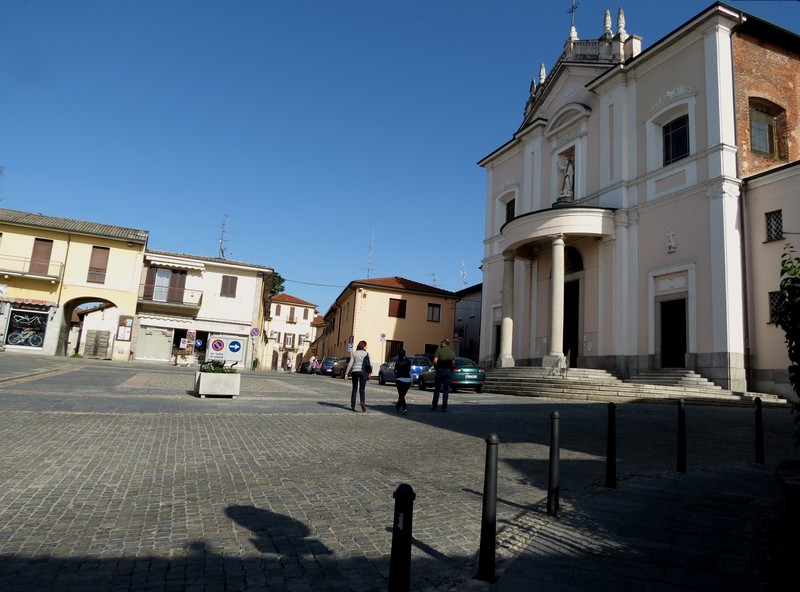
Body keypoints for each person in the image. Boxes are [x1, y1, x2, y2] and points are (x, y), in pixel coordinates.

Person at [345, 340, 372, 412]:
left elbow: (350, 364)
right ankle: (362, 402)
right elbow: (370, 364)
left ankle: (352, 405)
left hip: (355, 371)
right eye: (366, 345)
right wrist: (370, 373)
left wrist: (346, 374)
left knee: (354, 389)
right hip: (364, 372)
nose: (367, 347)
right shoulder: (367, 354)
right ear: (364, 346)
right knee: (362, 389)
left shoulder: (354, 353)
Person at [431, 338, 456, 412]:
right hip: (448, 371)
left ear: (443, 343)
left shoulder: (439, 350)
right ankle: (444, 407)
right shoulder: (452, 352)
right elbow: (453, 364)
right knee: (445, 390)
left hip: (440, 371)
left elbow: (435, 361)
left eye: (441, 342)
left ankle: (434, 406)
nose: (440, 343)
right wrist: (451, 370)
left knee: (437, 389)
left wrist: (436, 368)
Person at [393, 350, 412, 415]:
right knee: (402, 395)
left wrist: (396, 376)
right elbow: (409, 370)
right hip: (407, 380)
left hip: (400, 379)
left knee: (401, 395)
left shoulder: (398, 362)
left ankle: (404, 408)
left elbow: (395, 370)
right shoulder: (408, 361)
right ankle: (397, 407)